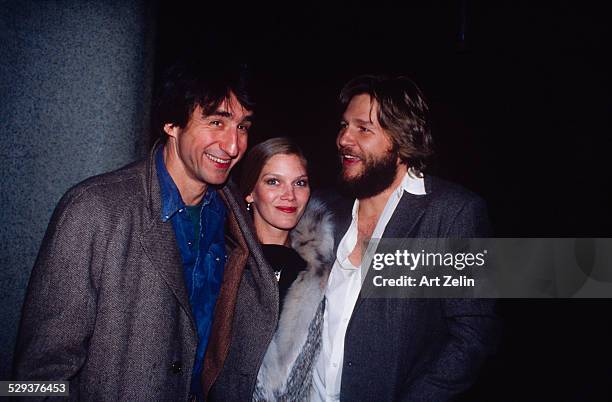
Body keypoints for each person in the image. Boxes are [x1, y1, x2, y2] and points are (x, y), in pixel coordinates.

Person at [13, 59, 268, 401]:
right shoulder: (93, 210)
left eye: (242, 126)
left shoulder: (230, 212)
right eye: (216, 122)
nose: (233, 145)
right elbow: (29, 381)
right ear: (171, 123)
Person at [310, 74, 500, 401]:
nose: (343, 139)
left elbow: (471, 336)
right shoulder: (324, 207)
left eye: (363, 128)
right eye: (344, 126)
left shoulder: (453, 213)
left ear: (403, 140)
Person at [207, 138, 334, 401]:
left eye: (299, 183)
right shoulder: (219, 264)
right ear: (250, 192)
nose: (289, 195)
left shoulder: (325, 272)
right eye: (273, 182)